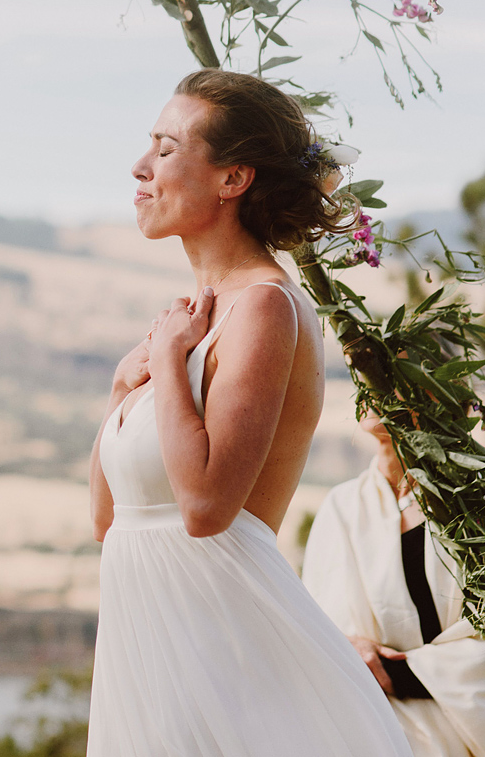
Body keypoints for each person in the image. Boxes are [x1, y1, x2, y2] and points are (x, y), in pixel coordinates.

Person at [85, 69, 412, 756]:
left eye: (167, 149)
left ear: (233, 179)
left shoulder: (263, 307)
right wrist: (124, 388)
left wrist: (171, 366)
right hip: (155, 662)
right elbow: (109, 523)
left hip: (230, 655)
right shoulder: (186, 320)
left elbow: (205, 507)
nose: (141, 166)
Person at [303, 415, 485, 757]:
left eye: (392, 367)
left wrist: (386, 670)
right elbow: (313, 623)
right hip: (356, 730)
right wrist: (343, 648)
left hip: (446, 737)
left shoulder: (476, 509)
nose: (373, 389)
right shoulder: (342, 506)